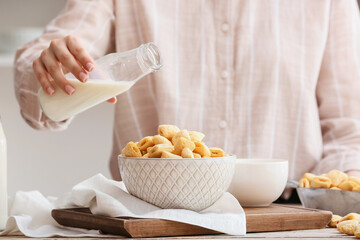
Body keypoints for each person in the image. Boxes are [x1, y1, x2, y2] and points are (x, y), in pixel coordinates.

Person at [14, 0, 360, 192]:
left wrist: (331, 197)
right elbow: (53, 57)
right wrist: (51, 65)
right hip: (150, 221)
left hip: (285, 218)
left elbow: (349, 132)